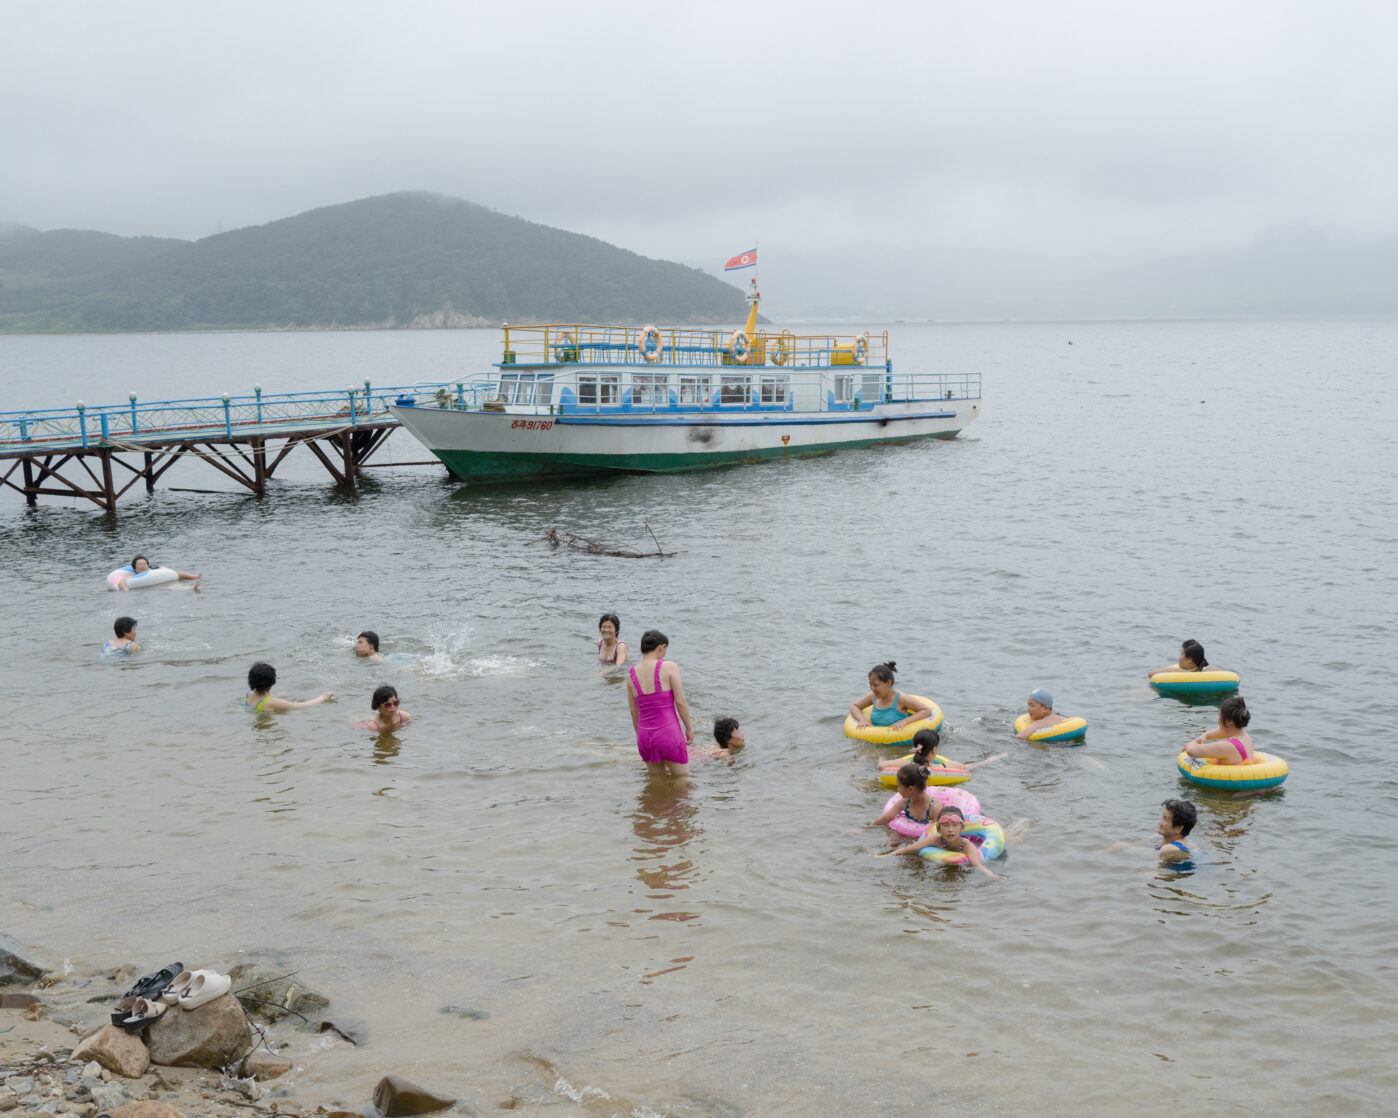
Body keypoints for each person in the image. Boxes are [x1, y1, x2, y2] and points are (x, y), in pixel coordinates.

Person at [875, 805, 1006, 881]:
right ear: (938, 829)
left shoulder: (967, 846)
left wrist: (994, 876)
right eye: (945, 825)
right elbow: (908, 849)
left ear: (962, 829)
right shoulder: (935, 840)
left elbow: (978, 865)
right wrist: (883, 856)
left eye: (955, 825)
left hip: (981, 851)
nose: (950, 829)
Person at [626, 629, 693, 777]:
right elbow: (680, 702)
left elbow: (634, 712)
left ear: (641, 649)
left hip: (644, 736)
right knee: (682, 781)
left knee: (656, 784)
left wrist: (641, 736)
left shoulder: (630, 676)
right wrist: (688, 728)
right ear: (661, 648)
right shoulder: (669, 666)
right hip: (668, 733)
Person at [1097, 799, 1197, 864]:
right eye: (1162, 817)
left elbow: (1156, 867)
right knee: (1121, 845)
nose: (1159, 822)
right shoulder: (1161, 836)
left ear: (1178, 828)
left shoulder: (1170, 849)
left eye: (1165, 819)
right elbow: (1133, 845)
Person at [847, 662, 932, 730]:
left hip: (896, 743)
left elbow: (926, 711)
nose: (872, 688)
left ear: (888, 683)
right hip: (875, 740)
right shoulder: (872, 697)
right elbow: (854, 706)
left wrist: (905, 721)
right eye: (870, 684)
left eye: (876, 685)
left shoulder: (901, 698)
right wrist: (862, 719)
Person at [866, 762, 938, 836]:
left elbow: (937, 831)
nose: (898, 790)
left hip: (922, 839)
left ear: (910, 789)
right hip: (904, 836)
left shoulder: (934, 807)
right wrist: (866, 828)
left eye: (899, 787)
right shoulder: (904, 803)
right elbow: (884, 818)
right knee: (891, 839)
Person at [1184, 695, 1254, 764]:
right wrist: (1205, 735)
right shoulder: (1245, 736)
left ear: (1229, 721)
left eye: (1219, 716)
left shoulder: (1225, 747)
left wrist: (1190, 744)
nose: (1218, 719)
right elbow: (1222, 731)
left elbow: (1192, 751)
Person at [241, 662, 333, 713]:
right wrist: (322, 698)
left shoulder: (249, 695)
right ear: (272, 682)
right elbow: (301, 706)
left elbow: (263, 699)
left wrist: (279, 696)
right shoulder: (273, 703)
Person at [113, 555, 201, 591]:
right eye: (139, 565)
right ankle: (191, 588)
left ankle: (192, 587)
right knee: (164, 588)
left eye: (144, 564)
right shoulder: (132, 576)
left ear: (148, 566)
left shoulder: (155, 573)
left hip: (156, 582)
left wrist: (193, 576)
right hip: (144, 588)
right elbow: (121, 582)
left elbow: (175, 573)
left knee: (170, 586)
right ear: (135, 568)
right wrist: (126, 590)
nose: (142, 566)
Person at [1149, 639, 1221, 678]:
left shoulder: (1176, 672)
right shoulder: (1212, 670)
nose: (1179, 657)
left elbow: (1151, 674)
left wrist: (1174, 671)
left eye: (1181, 654)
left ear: (1189, 660)